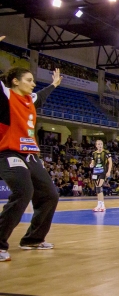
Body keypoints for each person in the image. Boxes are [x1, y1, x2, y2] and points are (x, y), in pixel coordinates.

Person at [0, 67, 62, 262]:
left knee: (50, 195)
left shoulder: (30, 100)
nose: (33, 83)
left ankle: (32, 239)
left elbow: (41, 95)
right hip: (8, 152)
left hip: (30, 155)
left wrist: (54, 84)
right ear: (16, 82)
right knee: (23, 191)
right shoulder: (6, 94)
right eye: (29, 80)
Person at [89, 140, 112, 212]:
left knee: (99, 186)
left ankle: (102, 205)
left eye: (101, 144)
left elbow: (110, 162)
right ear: (96, 145)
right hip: (95, 171)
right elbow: (92, 162)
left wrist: (108, 171)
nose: (100, 145)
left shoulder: (106, 152)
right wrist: (91, 165)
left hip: (103, 171)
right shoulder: (94, 153)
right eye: (98, 144)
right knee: (97, 188)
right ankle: (100, 205)